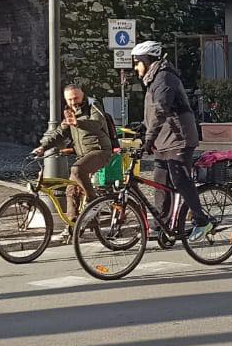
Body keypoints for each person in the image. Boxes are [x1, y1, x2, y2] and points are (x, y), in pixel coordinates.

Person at [130, 40, 211, 241]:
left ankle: (202, 220)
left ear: (147, 61)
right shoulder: (153, 78)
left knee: (179, 178)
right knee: (160, 183)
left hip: (179, 137)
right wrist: (142, 127)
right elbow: (152, 112)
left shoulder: (164, 77)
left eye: (137, 62)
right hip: (164, 139)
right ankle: (161, 227)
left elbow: (161, 109)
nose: (135, 67)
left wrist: (148, 139)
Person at [31, 85, 116, 217]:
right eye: (69, 99)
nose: (73, 102)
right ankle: (73, 228)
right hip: (83, 155)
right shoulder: (69, 111)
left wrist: (78, 123)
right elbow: (60, 133)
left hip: (100, 151)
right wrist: (43, 147)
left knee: (76, 170)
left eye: (75, 98)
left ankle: (93, 202)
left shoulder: (93, 105)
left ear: (82, 95)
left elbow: (97, 124)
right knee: (71, 191)